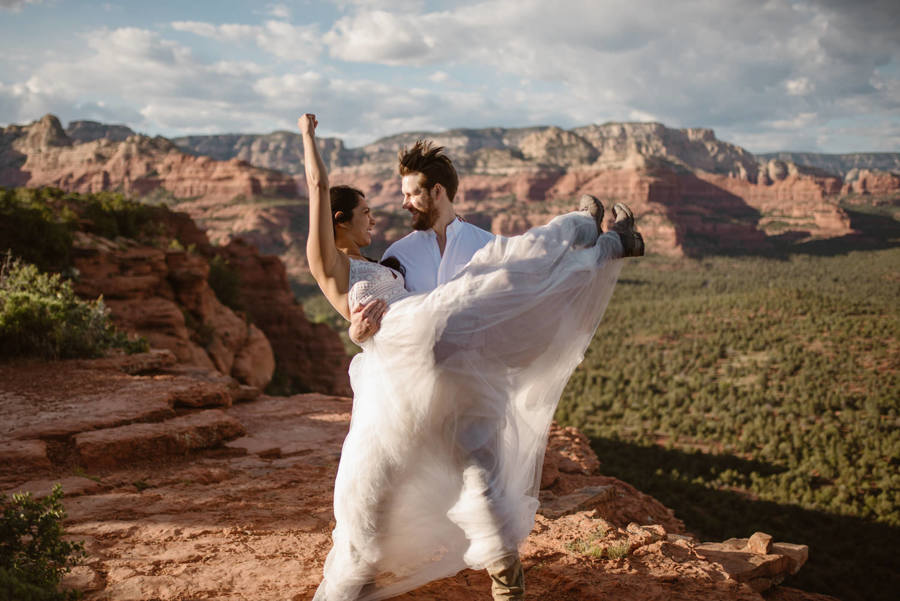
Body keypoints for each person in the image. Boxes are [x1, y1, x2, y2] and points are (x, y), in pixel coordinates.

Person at [300, 113, 643, 601]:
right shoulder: (362, 259)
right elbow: (318, 188)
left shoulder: (391, 261)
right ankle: (593, 235)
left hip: (461, 374)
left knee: (483, 484)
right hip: (403, 377)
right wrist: (308, 137)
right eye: (365, 211)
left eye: (410, 194)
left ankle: (507, 588)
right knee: (371, 497)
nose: (380, 214)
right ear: (340, 221)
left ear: (438, 192)